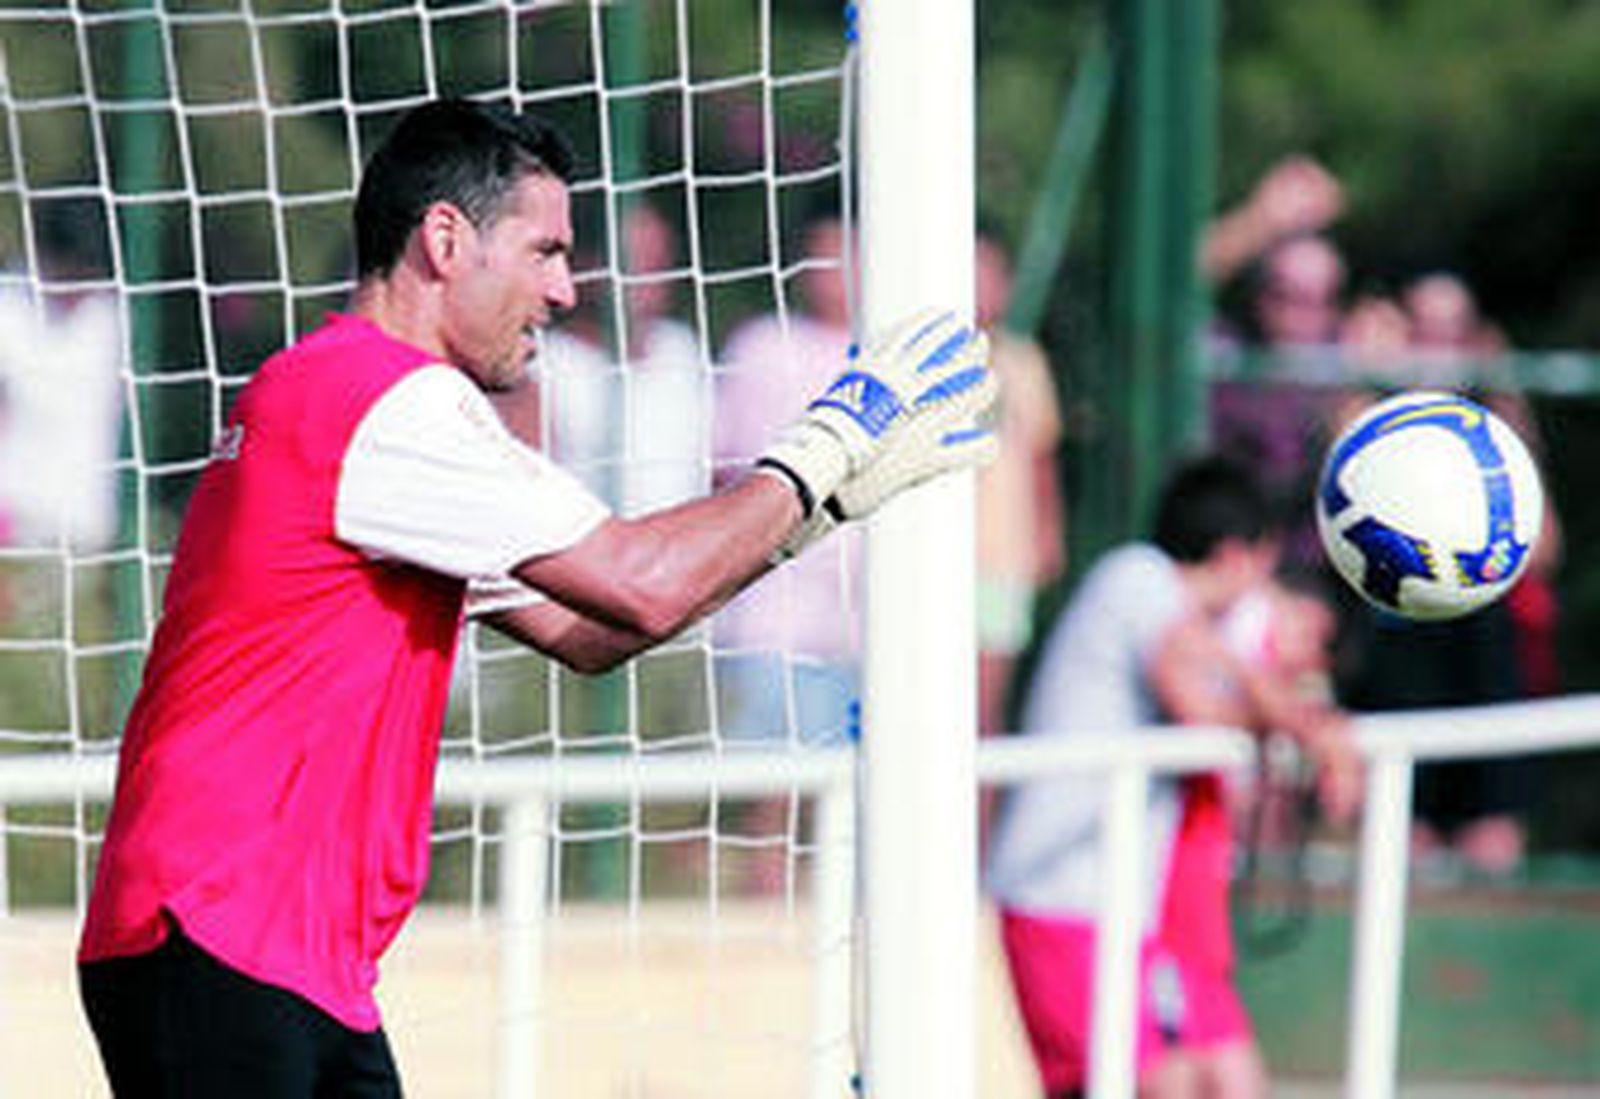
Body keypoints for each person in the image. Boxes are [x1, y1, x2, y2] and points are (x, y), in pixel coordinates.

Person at [75, 98, 997, 1095]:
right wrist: (832, 444)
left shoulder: (337, 395)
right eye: (545, 250)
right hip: (221, 932)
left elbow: (586, 631)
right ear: (444, 238)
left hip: (270, 956)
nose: (565, 288)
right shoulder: (386, 401)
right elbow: (639, 589)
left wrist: (813, 510)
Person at [985, 456, 1360, 1099]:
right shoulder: (1138, 578)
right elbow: (1200, 698)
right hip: (1058, 898)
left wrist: (1299, 721)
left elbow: (1215, 701)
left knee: (1192, 1081)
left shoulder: (1172, 609)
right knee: (1160, 1084)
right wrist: (1307, 725)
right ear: (1238, 554)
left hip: (1117, 910)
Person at [973, 231, 1066, 739]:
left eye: (986, 271)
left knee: (983, 716)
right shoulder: (919, 357)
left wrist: (1049, 533)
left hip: (1001, 562)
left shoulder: (1021, 361)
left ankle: (977, 821)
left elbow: (1041, 457)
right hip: (931, 562)